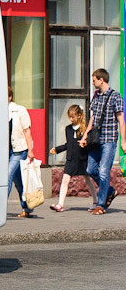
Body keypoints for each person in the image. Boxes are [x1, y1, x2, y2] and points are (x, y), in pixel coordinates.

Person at [82, 68, 123, 215]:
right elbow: (93, 118)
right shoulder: (96, 96)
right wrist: (85, 135)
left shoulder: (115, 96)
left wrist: (123, 142)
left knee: (104, 172)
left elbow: (121, 120)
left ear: (101, 80)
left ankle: (101, 205)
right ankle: (110, 191)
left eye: (94, 80)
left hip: (109, 140)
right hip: (96, 140)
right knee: (90, 169)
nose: (92, 83)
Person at [50, 104, 97, 212]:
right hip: (71, 159)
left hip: (82, 158)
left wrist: (86, 144)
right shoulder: (68, 129)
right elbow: (69, 144)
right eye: (70, 117)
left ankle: (95, 201)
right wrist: (57, 149)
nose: (71, 119)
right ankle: (60, 204)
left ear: (79, 116)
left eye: (73, 116)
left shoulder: (85, 128)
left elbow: (90, 142)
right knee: (65, 180)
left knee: (87, 181)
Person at [7, 85, 36, 218]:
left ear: (10, 97)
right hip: (6, 151)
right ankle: (27, 207)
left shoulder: (20, 111)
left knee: (7, 175)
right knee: (18, 182)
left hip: (19, 150)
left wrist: (30, 150)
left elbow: (27, 131)